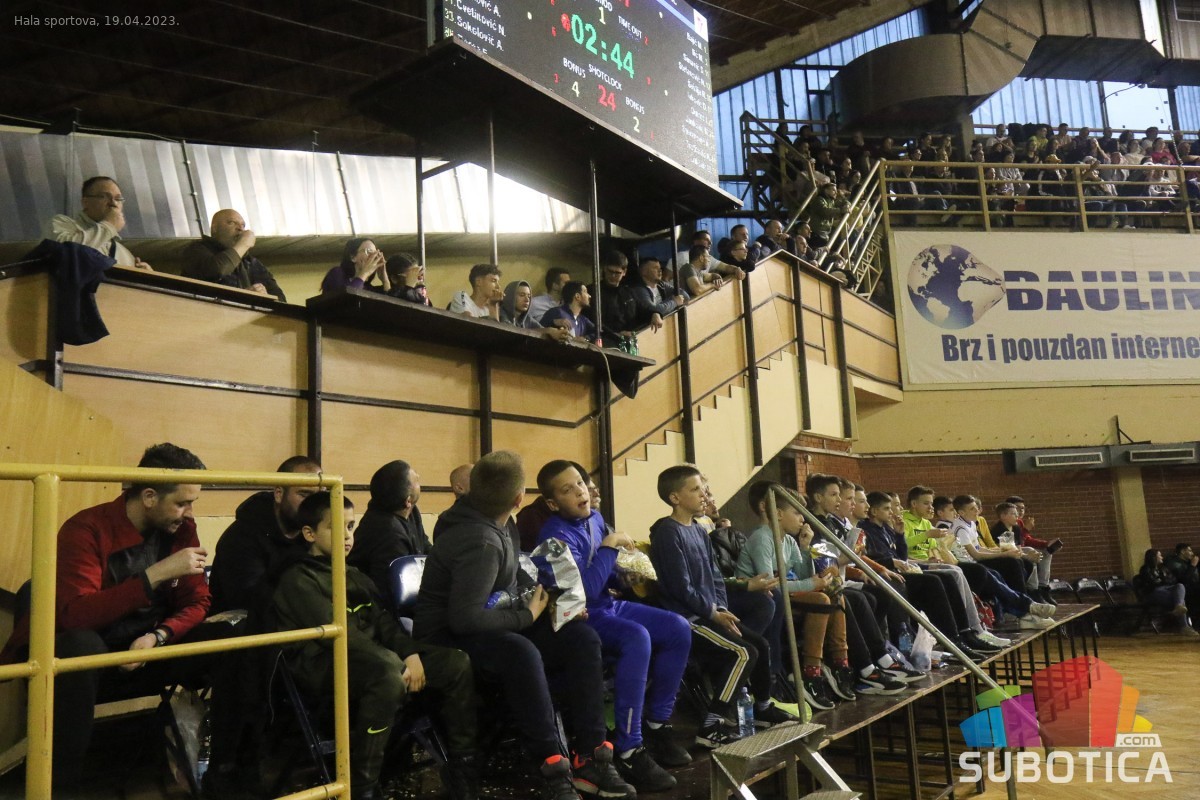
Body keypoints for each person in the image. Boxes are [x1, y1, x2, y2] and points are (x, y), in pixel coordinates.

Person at [0, 444, 249, 796]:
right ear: (149, 497)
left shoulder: (180, 529)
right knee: (80, 644)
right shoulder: (86, 529)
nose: (189, 513)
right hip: (90, 660)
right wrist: (156, 575)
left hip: (147, 650)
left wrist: (158, 636)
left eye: (193, 502)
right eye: (182, 503)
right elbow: (75, 615)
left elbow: (198, 601)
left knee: (237, 631)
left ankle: (227, 774)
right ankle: (58, 790)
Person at [414, 452, 633, 800]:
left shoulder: (502, 524)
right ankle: (553, 768)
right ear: (519, 499)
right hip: (448, 637)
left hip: (492, 621)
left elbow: (515, 578)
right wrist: (528, 617)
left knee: (580, 638)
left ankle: (591, 757)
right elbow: (465, 619)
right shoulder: (480, 541)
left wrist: (558, 605)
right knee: (521, 651)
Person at [271, 492, 480, 799]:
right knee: (388, 676)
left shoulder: (354, 575)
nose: (347, 536)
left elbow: (384, 623)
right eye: (336, 527)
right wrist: (397, 663)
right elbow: (342, 636)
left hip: (373, 662)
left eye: (351, 527)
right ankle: (362, 787)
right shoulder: (298, 579)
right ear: (309, 533)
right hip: (323, 668)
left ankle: (462, 767)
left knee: (455, 663)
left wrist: (410, 654)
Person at [534, 460, 693, 791]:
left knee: (677, 628)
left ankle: (656, 723)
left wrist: (622, 576)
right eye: (567, 490)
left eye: (580, 483)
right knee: (637, 637)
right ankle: (629, 746)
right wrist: (609, 547)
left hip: (608, 605)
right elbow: (582, 593)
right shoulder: (553, 537)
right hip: (580, 617)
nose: (580, 491)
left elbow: (603, 579)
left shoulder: (595, 519)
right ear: (552, 503)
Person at [649, 465, 799, 747]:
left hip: (710, 612)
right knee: (743, 652)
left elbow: (716, 575)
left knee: (760, 645)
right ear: (675, 498)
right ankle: (711, 724)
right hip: (688, 618)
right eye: (695, 489)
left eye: (702, 488)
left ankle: (763, 707)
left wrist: (721, 608)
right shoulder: (668, 532)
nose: (703, 494)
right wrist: (711, 612)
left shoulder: (698, 530)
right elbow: (681, 587)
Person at [209, 455, 323, 614]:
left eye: (319, 495)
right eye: (304, 494)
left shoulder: (316, 532)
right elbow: (248, 601)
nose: (313, 504)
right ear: (279, 493)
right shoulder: (242, 536)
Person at [348, 460, 431, 607]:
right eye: (416, 480)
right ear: (408, 501)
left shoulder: (411, 512)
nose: (419, 476)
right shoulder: (388, 533)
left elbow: (425, 548)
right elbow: (391, 591)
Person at [48, 176, 153, 270]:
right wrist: (109, 226)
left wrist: (147, 277)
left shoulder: (125, 255)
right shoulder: (61, 224)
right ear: (85, 202)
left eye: (118, 198)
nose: (113, 203)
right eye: (104, 196)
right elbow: (67, 253)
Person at [181, 209, 285, 300]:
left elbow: (280, 299)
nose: (240, 228)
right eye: (231, 223)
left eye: (243, 225)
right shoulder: (196, 250)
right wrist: (244, 244)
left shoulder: (250, 262)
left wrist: (265, 297)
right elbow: (216, 270)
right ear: (214, 229)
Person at [1135, 549, 1195, 635]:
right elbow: (1152, 583)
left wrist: (1163, 580)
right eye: (1159, 555)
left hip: (1166, 590)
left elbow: (1173, 580)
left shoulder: (1163, 568)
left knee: (1180, 586)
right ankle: (1184, 626)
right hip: (1152, 593)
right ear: (1153, 557)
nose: (1162, 557)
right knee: (1180, 600)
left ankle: (1178, 607)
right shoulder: (1145, 569)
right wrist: (1164, 580)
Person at [627, 258, 686, 333]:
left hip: (664, 326)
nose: (660, 270)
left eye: (660, 268)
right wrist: (674, 302)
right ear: (643, 272)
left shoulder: (661, 284)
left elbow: (684, 295)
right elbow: (653, 309)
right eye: (655, 268)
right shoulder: (639, 289)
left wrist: (668, 304)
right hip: (646, 331)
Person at [321, 237, 387, 293]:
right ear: (353, 257)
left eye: (375, 253)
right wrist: (364, 273)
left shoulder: (367, 287)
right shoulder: (337, 273)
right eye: (369, 251)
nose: (373, 257)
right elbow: (347, 299)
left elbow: (389, 303)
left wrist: (385, 280)